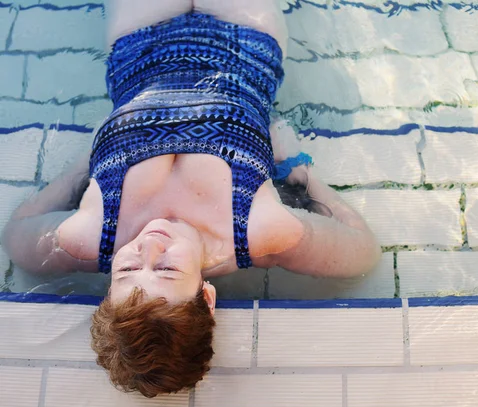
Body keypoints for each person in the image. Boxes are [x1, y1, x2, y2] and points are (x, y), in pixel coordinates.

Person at [1, 0, 381, 398]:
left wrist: (78, 167)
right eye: (166, 270)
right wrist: (299, 169)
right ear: (206, 295)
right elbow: (364, 250)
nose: (149, 244)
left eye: (127, 269)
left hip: (138, 40)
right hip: (244, 38)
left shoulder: (88, 235)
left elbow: (14, 235)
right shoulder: (262, 229)